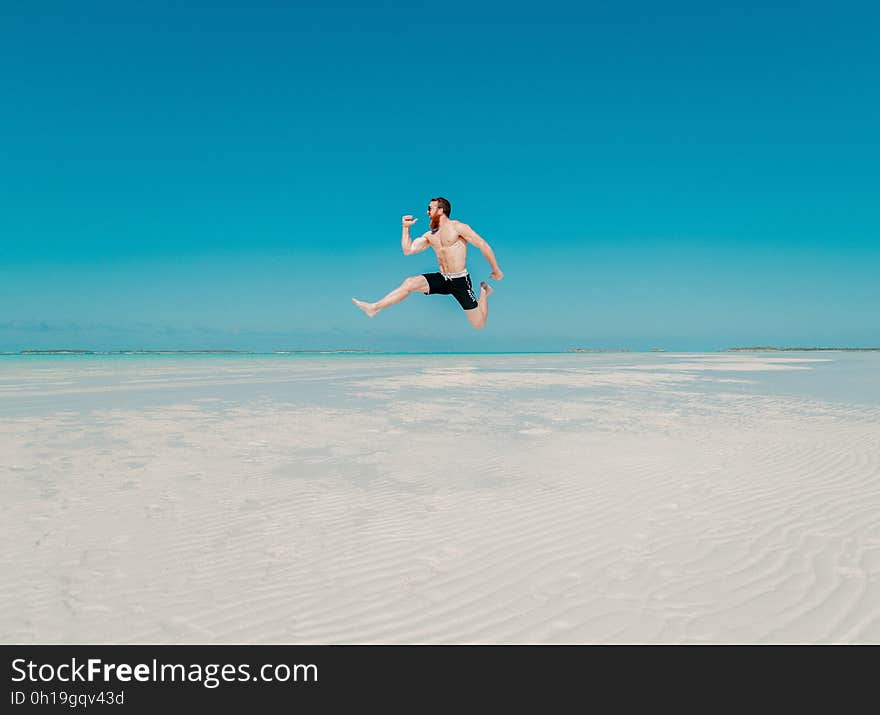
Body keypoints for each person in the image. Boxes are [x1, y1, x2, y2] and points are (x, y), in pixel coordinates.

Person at [352, 197, 504, 329]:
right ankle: (374, 308)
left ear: (441, 210)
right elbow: (408, 250)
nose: (427, 212)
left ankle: (484, 292)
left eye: (429, 208)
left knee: (478, 324)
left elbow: (482, 244)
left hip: (460, 281)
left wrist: (496, 269)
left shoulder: (458, 227)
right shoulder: (430, 235)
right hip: (443, 278)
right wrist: (405, 229)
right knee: (409, 283)